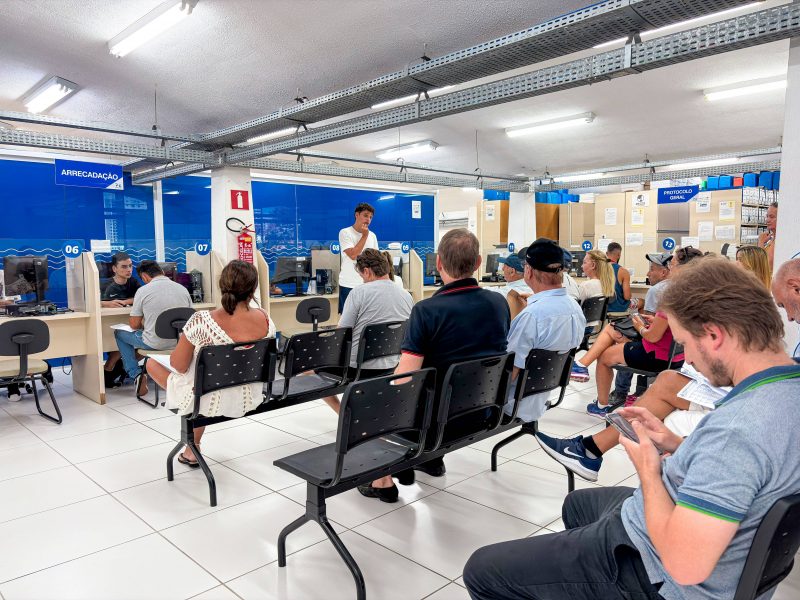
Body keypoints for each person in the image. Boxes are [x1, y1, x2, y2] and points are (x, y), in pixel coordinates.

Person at [464, 257, 800, 600]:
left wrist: (649, 470)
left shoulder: (736, 430)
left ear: (713, 335)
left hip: (653, 570)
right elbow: (749, 470)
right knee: (577, 505)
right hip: (681, 529)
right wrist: (674, 443)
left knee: (481, 570)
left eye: (685, 345)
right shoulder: (788, 388)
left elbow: (685, 566)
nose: (689, 361)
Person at [358, 228, 510, 503]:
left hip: (433, 422)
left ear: (438, 263)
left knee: (371, 398)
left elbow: (405, 378)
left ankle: (382, 482)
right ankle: (431, 461)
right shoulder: (498, 303)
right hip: (482, 411)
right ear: (478, 263)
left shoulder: (427, 311)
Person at [145, 260, 274, 466]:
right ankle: (191, 448)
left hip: (207, 395)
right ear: (253, 288)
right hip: (249, 393)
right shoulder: (266, 318)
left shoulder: (201, 320)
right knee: (203, 377)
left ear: (222, 285)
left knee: (152, 363)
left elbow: (178, 366)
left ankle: (192, 447)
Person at [321, 249, 412, 413]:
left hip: (358, 368)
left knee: (310, 370)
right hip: (392, 364)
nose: (362, 280)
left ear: (367, 271)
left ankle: (343, 412)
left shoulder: (358, 293)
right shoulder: (406, 295)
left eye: (361, 276)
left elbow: (342, 333)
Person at [504, 239, 585, 423]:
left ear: (529, 271)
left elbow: (511, 370)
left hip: (512, 405)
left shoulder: (532, 317)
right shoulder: (575, 309)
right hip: (541, 397)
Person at [114, 260, 191, 396]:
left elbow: (134, 325)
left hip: (154, 343)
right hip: (181, 343)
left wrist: (146, 324)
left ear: (144, 277)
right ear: (162, 272)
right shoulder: (182, 289)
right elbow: (190, 320)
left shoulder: (143, 291)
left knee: (119, 333)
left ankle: (136, 374)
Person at [607, 252, 673, 405]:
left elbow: (647, 328)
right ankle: (641, 389)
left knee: (622, 340)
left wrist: (637, 325)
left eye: (651, 269)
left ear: (663, 272)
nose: (648, 273)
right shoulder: (682, 289)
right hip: (674, 352)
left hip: (655, 350)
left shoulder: (656, 290)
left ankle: (620, 392)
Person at [100, 252, 142, 387]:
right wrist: (105, 303)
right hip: (108, 324)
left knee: (138, 345)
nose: (129, 270)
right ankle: (109, 370)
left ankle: (122, 368)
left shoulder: (134, 282)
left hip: (129, 321)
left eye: (130, 266)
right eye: (124, 267)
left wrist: (125, 302)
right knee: (115, 346)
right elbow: (91, 301)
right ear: (114, 269)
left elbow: (141, 297)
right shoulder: (105, 285)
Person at [338, 203, 378, 313]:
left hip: (368, 284)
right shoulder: (345, 232)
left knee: (367, 317)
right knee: (347, 319)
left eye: (370, 217)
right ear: (357, 215)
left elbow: (376, 260)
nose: (368, 220)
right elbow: (353, 255)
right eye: (365, 215)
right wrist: (364, 236)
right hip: (349, 284)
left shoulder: (373, 236)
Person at [605, 242, 632, 316]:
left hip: (602, 308)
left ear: (607, 253)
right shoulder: (623, 271)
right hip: (619, 308)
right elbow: (627, 297)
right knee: (642, 302)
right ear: (619, 255)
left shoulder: (599, 270)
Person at [757, 201, 778, 271]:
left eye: (772, 217)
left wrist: (760, 242)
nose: (767, 220)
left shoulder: (780, 241)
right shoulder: (772, 240)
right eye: (767, 216)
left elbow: (764, 265)